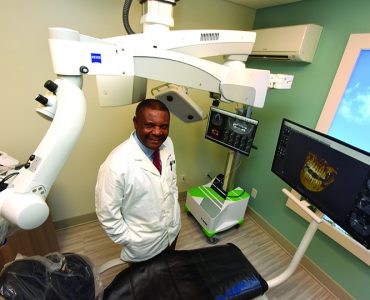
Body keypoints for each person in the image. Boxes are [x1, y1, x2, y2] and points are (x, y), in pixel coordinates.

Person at [95, 99, 181, 263]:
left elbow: (172, 182)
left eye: (164, 126)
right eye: (150, 125)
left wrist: (174, 210)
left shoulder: (167, 144)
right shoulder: (115, 165)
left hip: (172, 231)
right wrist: (131, 240)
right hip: (144, 246)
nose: (157, 132)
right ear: (135, 123)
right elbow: (107, 215)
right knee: (145, 284)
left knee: (169, 270)